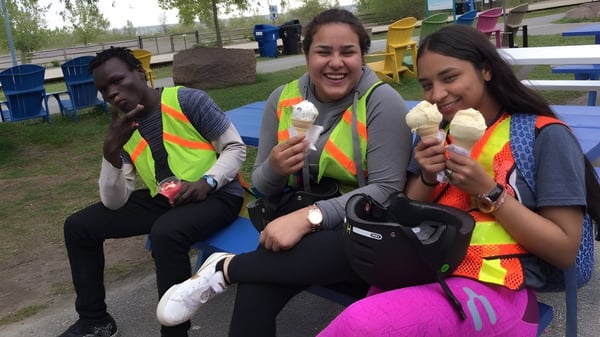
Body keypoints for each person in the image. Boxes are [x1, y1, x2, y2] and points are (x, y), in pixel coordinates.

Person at [317, 24, 593, 336]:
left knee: (359, 324)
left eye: (449, 78)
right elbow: (409, 210)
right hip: (426, 268)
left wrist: (490, 193)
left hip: (501, 289)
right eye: (426, 85)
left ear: (485, 70)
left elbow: (564, 250)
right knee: (366, 314)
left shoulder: (544, 136)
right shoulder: (437, 135)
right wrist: (426, 175)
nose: (437, 95)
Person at [156, 8, 413, 336]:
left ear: (362, 56)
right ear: (307, 55)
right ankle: (228, 268)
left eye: (348, 52)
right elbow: (262, 187)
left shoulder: (381, 102)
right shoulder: (283, 99)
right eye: (323, 52)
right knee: (258, 285)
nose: (336, 62)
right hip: (301, 226)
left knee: (260, 272)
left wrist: (308, 218)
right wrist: (276, 168)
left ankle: (226, 268)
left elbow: (386, 190)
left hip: (362, 230)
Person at [59, 47, 246, 337]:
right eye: (104, 89)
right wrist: (110, 153)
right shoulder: (124, 128)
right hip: (168, 199)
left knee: (165, 232)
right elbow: (114, 201)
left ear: (139, 72)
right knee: (79, 226)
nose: (113, 92)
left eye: (118, 80)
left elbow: (235, 148)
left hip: (217, 194)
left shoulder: (186, 100)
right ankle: (95, 320)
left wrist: (207, 182)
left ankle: (174, 332)